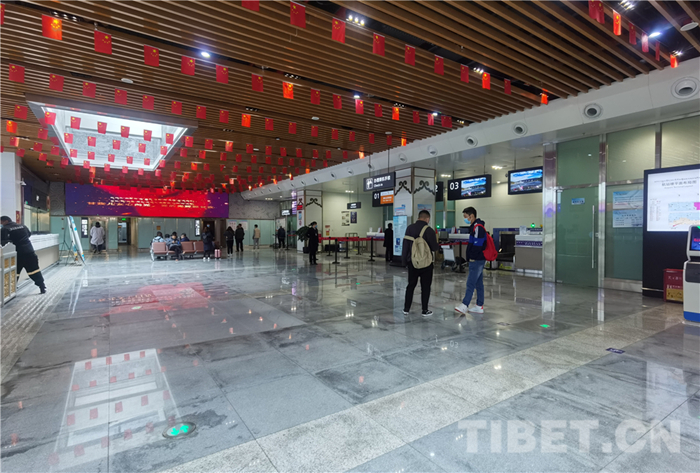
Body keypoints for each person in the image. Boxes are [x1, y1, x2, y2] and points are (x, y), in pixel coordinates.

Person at [401, 210, 438, 317]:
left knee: (411, 285)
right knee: (425, 287)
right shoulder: (429, 231)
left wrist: (404, 261)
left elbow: (405, 245)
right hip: (426, 263)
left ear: (418, 217)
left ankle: (406, 309)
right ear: (427, 219)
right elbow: (434, 248)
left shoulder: (409, 228)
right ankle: (424, 310)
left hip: (412, 262)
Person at [1, 216, 46, 294]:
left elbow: (3, 241)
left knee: (14, 272)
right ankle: (42, 287)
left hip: (17, 253)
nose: (1, 224)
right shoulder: (23, 226)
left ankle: (10, 291)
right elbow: (29, 234)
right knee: (34, 270)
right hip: (29, 252)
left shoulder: (5, 229)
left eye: (1, 222)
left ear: (5, 221)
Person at [455, 207, 487, 315]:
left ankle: (464, 305)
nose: (465, 219)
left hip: (477, 259)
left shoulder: (478, 227)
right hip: (477, 259)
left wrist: (472, 257)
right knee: (478, 283)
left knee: (470, 283)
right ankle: (479, 305)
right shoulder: (474, 227)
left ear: (471, 215)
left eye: (465, 217)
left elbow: (478, 245)